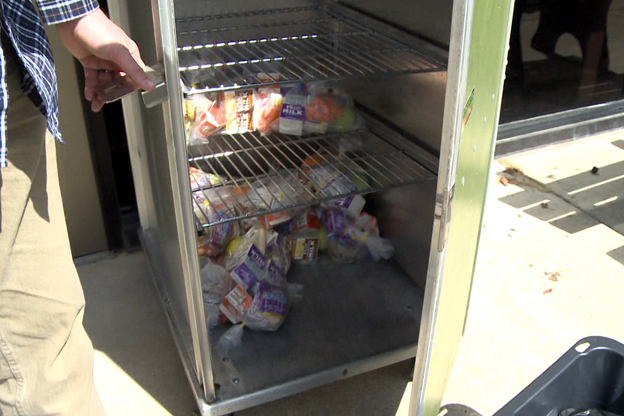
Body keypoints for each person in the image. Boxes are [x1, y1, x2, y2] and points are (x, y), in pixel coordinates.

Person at [0, 0, 154, 414]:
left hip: (10, 77)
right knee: (35, 347)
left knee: (47, 333)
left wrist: (74, 18)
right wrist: (75, 15)